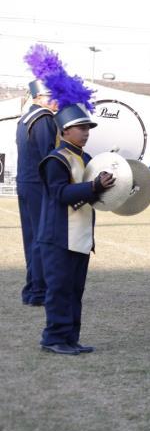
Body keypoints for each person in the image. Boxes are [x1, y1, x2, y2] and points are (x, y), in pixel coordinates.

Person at [37, 59, 115, 355]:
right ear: (65, 131)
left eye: (87, 128)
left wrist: (115, 188)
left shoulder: (86, 158)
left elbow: (89, 196)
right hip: (58, 237)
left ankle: (70, 338)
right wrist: (94, 186)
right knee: (59, 290)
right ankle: (54, 338)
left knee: (75, 291)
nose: (86, 132)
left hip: (80, 236)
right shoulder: (55, 160)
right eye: (80, 128)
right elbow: (59, 194)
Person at [17, 45, 61, 307]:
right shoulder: (44, 119)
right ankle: (37, 291)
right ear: (42, 96)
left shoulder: (25, 117)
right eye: (53, 95)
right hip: (38, 183)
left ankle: (32, 288)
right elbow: (49, 155)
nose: (57, 101)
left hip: (25, 182)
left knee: (30, 236)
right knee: (40, 238)